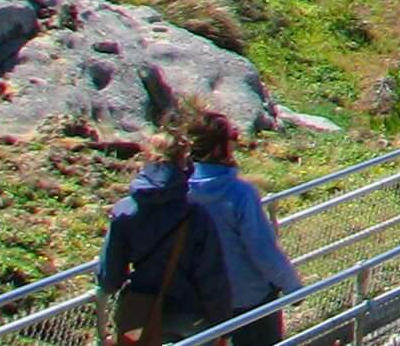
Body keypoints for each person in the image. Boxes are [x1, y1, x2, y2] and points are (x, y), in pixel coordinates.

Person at [172, 103, 300, 346]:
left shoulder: (176, 192)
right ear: (221, 146)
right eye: (233, 137)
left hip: (197, 303)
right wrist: (292, 287)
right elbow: (262, 251)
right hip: (247, 300)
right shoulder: (239, 194)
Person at [99, 131, 231, 345]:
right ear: (184, 163)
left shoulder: (124, 211)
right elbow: (212, 278)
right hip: (191, 319)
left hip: (141, 317)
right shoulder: (195, 215)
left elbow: (110, 277)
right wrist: (223, 326)